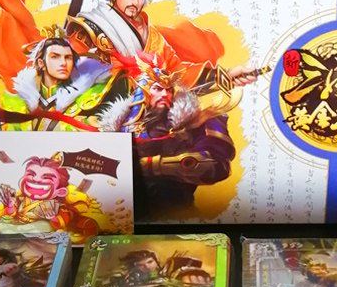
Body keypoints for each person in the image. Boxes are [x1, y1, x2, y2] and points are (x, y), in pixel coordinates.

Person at [67, 0, 258, 88]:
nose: (135, 2)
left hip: (145, 114)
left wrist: (226, 75)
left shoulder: (153, 37)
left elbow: (179, 71)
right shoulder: (92, 27)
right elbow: (65, 68)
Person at [98, 53, 237, 215]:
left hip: (175, 211)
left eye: (169, 90)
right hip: (124, 213)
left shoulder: (194, 122)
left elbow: (216, 163)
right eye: (158, 89)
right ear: (143, 91)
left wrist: (149, 165)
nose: (165, 95)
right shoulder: (117, 128)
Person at [0, 29, 127, 131]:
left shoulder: (88, 95)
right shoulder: (20, 99)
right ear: (41, 63)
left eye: (68, 58)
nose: (63, 63)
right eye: (55, 57)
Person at [0, 156, 100, 244]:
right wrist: (10, 204)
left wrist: (52, 217)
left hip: (39, 231)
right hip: (16, 226)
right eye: (31, 174)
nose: (36, 179)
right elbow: (11, 214)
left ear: (60, 191)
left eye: (46, 177)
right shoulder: (21, 199)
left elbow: (61, 223)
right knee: (5, 221)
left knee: (44, 225)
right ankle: (7, 229)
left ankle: (10, 230)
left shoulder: (58, 205)